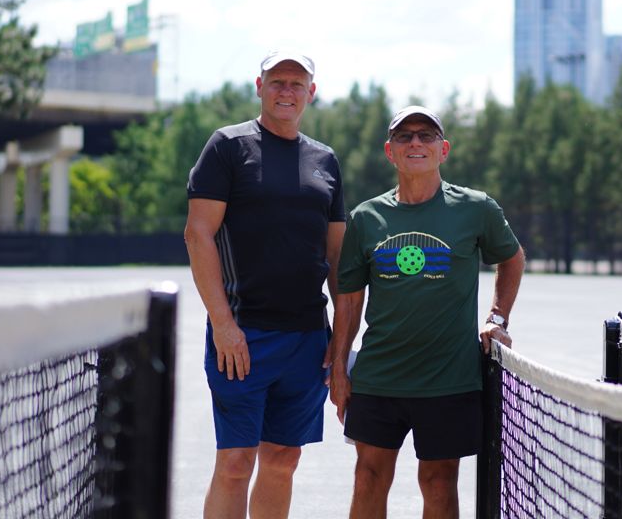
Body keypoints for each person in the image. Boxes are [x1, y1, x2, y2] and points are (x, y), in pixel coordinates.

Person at [329, 105, 525, 519]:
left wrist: (497, 317)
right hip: (379, 377)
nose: (415, 142)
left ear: (444, 149)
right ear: (389, 151)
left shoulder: (476, 209)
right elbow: (348, 297)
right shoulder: (366, 218)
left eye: (426, 135)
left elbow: (512, 258)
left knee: (438, 483)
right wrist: (340, 369)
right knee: (368, 477)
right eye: (404, 136)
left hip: (449, 380)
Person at [185, 50, 346, 519]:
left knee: (283, 459)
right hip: (243, 336)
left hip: (307, 340)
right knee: (235, 463)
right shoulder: (228, 147)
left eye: (297, 84)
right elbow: (198, 235)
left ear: (311, 94)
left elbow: (337, 255)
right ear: (259, 86)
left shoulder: (326, 160)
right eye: (278, 81)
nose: (287, 91)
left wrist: (340, 339)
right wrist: (224, 325)